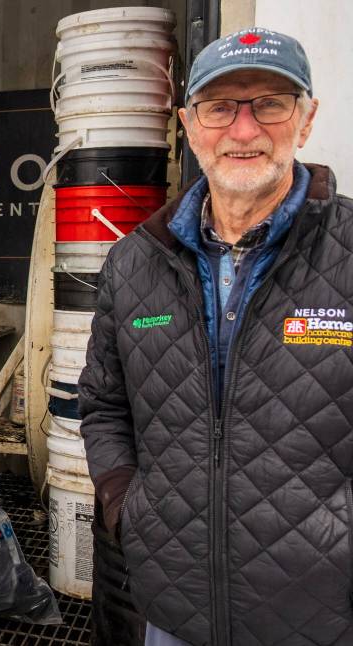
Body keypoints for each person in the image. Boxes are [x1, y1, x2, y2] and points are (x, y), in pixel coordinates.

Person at [79, 27, 353, 646]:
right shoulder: (134, 263)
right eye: (220, 106)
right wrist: (130, 510)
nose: (244, 129)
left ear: (306, 121)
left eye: (271, 104)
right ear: (188, 123)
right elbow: (102, 406)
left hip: (320, 614)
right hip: (171, 609)